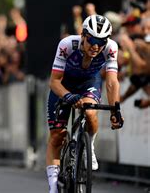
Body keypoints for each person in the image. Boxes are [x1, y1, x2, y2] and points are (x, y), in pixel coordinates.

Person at [45, 14, 124, 193]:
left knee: (90, 113)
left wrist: (115, 110)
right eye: (92, 40)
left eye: (101, 41)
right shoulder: (67, 45)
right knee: (57, 135)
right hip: (64, 84)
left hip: (89, 82)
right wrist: (68, 96)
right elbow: (54, 81)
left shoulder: (111, 48)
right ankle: (53, 187)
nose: (96, 46)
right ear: (83, 35)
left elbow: (112, 82)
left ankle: (90, 145)